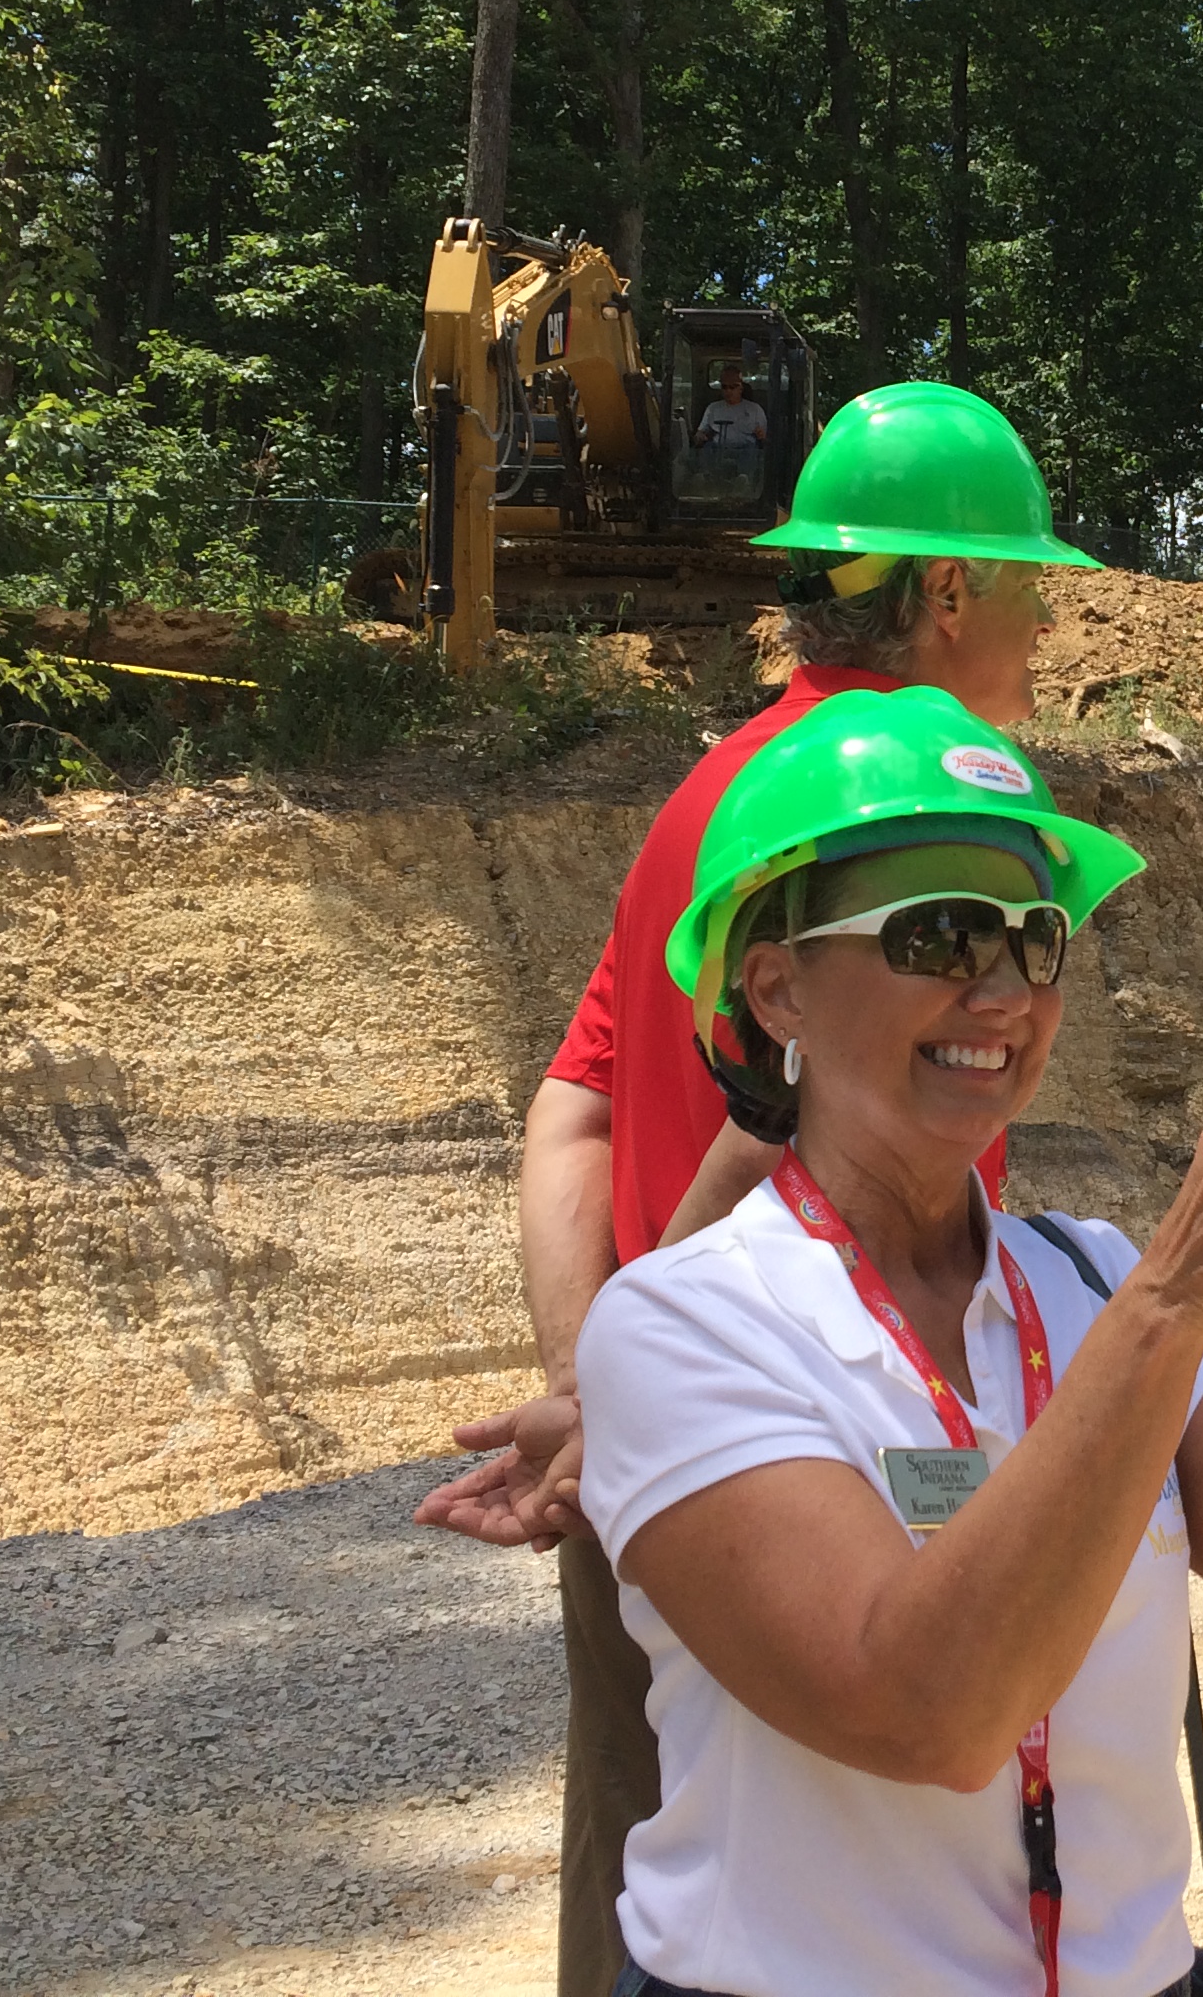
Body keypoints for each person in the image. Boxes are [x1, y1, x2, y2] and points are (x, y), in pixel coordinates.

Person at [575, 684, 1203, 1996]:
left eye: (1034, 940)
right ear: (776, 989)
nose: (1002, 993)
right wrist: (1170, 1310)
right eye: (943, 936)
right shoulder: (682, 1327)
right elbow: (926, 1709)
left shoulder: (1088, 1282)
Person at [414, 382, 1099, 1997]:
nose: (1043, 633)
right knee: (863, 1896)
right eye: (1030, 590)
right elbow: (784, 1138)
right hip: (815, 1450)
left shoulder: (706, 795)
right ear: (944, 591)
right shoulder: (911, 815)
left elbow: (568, 1104)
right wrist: (635, 1377)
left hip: (654, 1443)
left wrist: (603, 1377)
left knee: (645, 1873)